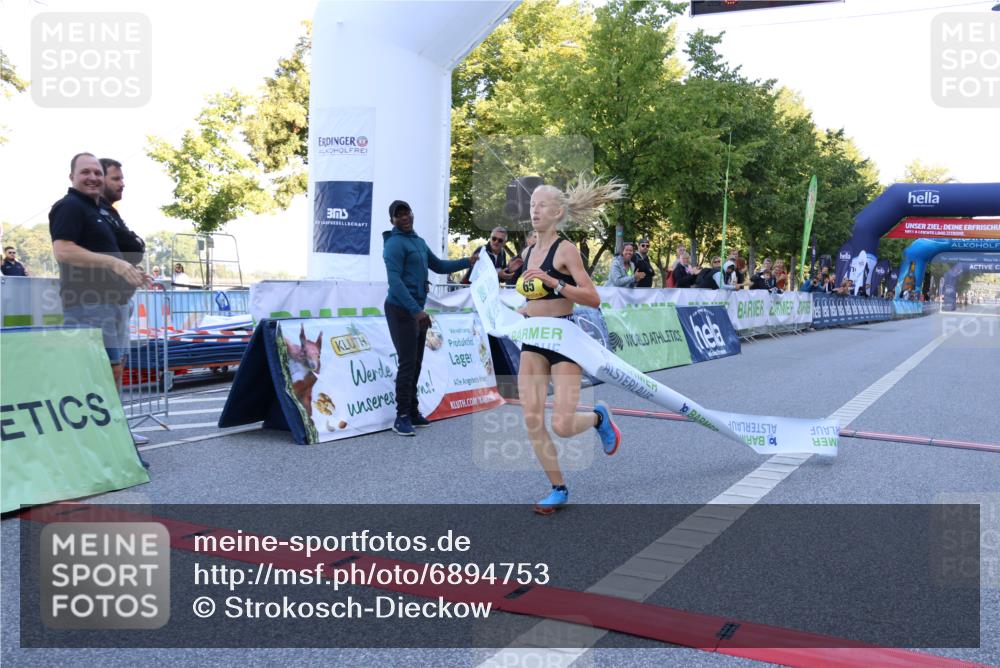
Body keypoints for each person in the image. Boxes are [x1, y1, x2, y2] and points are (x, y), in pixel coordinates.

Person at [514, 177, 625, 514]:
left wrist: (553, 282)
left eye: (542, 204)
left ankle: (597, 418)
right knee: (532, 419)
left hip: (563, 340)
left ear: (558, 211)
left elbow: (592, 298)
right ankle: (558, 488)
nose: (535, 209)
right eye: (532, 204)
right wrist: (524, 308)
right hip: (533, 339)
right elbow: (532, 298)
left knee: (562, 425)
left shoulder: (566, 250)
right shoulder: (528, 249)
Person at [49, 152, 150, 466]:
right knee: (94, 378)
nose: (92, 177)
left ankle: (113, 443)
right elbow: (63, 250)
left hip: (112, 305)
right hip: (89, 306)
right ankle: (99, 453)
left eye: (96, 172)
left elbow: (125, 250)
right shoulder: (68, 207)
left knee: (112, 374)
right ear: (72, 177)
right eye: (86, 172)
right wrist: (115, 263)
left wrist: (128, 271)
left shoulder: (99, 210)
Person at [382, 200, 478, 436]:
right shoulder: (394, 244)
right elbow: (395, 282)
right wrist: (416, 310)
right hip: (401, 310)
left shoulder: (418, 241)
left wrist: (468, 261)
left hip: (417, 311)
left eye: (407, 213)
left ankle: (413, 411)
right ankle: (401, 416)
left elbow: (439, 266)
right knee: (407, 362)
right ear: (392, 220)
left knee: (416, 362)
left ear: (412, 214)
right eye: (398, 215)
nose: (404, 218)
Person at [99, 158, 153, 449]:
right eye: (116, 178)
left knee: (118, 365)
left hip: (121, 299)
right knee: (109, 366)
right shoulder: (92, 213)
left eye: (122, 178)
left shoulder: (111, 214)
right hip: (101, 302)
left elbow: (134, 246)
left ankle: (118, 425)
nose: (122, 184)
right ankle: (109, 430)